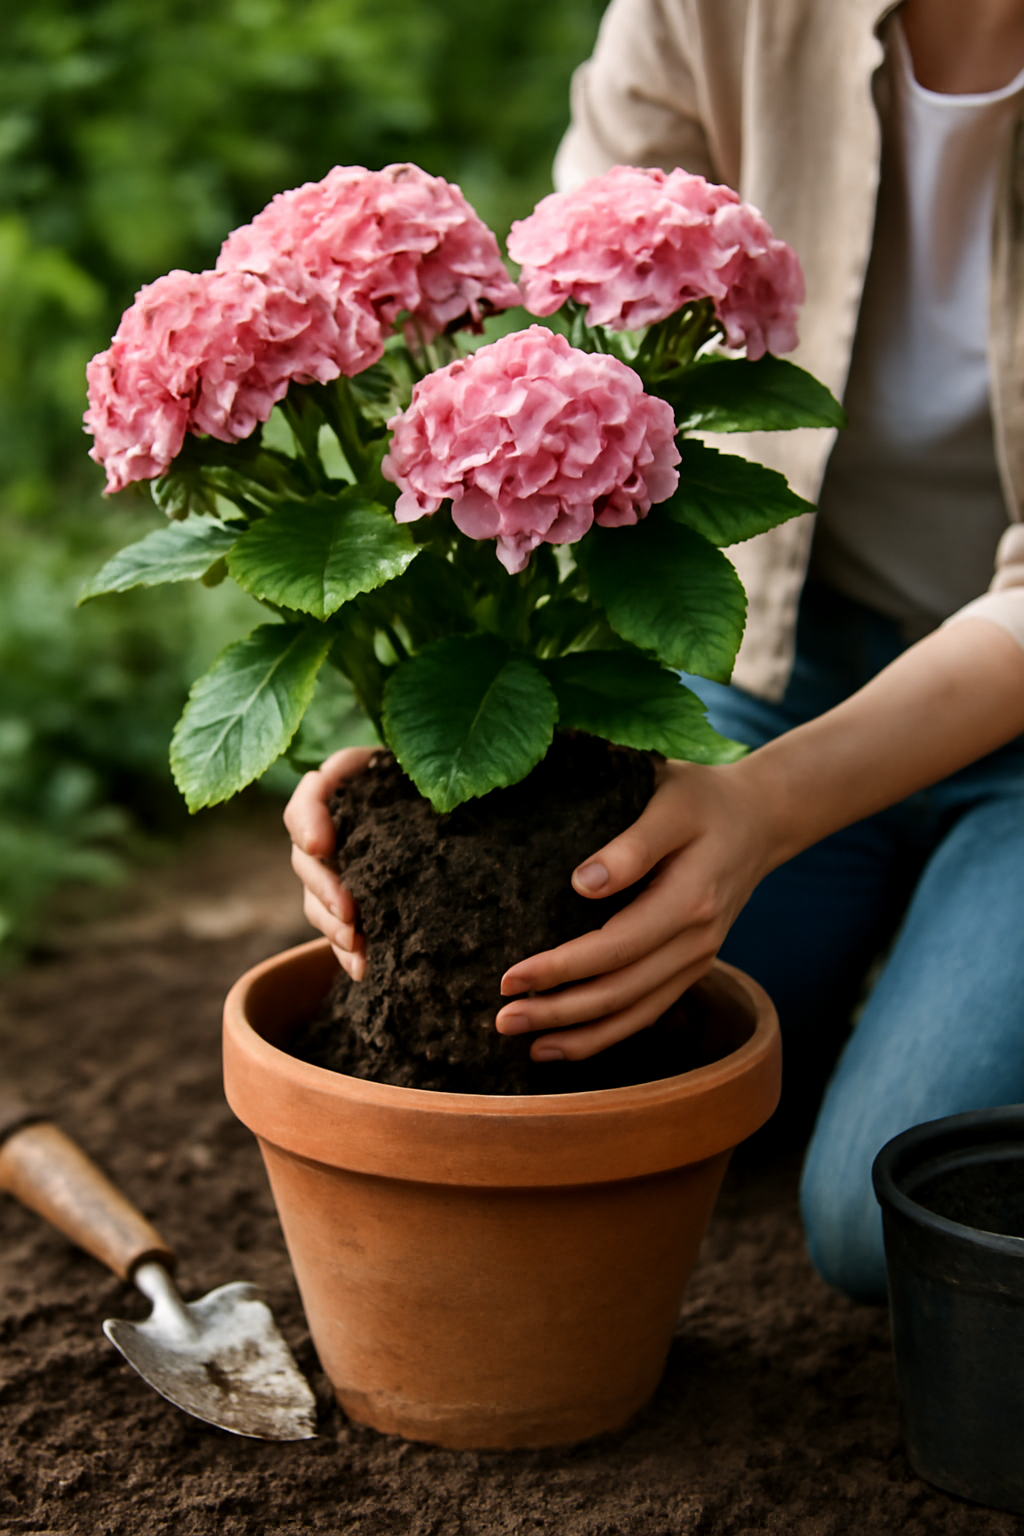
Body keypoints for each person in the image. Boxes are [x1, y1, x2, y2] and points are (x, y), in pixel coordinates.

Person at [285, 0, 1024, 1304]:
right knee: (548, 1002)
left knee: (883, 1228)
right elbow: (560, 362)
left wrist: (768, 809)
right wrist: (429, 743)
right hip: (781, 664)